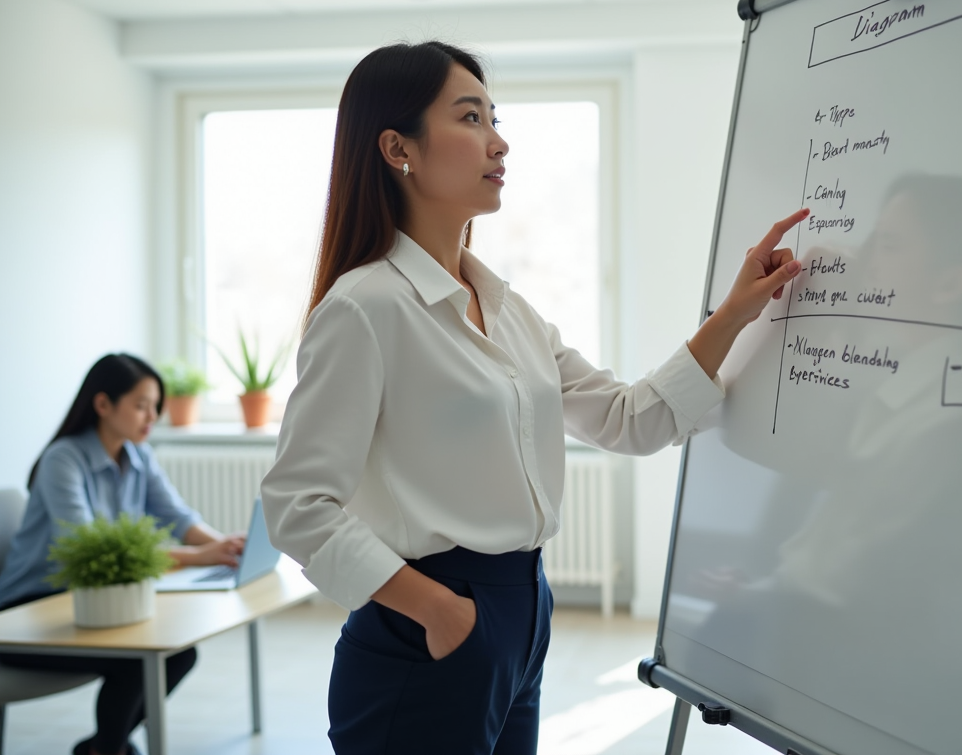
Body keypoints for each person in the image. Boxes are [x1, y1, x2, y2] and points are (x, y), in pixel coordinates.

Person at [259, 39, 807, 754]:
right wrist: (441, 611)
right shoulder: (365, 308)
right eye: (471, 118)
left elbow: (628, 419)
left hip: (522, 610)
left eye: (494, 117)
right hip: (434, 621)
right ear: (400, 148)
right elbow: (298, 507)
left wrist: (733, 314)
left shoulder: (508, 309)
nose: (499, 141)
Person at [0, 353, 247, 755]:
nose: (151, 417)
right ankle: (109, 749)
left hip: (89, 602)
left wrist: (223, 546)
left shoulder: (138, 454)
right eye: (140, 405)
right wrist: (200, 556)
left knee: (178, 655)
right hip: (28, 613)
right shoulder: (63, 459)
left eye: (155, 407)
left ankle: (101, 747)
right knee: (137, 661)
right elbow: (92, 548)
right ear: (102, 404)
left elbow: (176, 515)